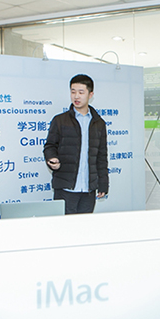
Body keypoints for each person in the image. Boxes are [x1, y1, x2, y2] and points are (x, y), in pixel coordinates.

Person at [43, 74, 109, 214]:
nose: (76, 96)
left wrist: (103, 183)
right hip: (65, 187)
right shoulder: (60, 120)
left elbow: (102, 156)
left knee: (85, 226)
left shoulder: (99, 124)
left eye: (81, 92)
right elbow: (50, 146)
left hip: (88, 190)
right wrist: (52, 158)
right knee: (65, 226)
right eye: (73, 92)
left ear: (90, 95)